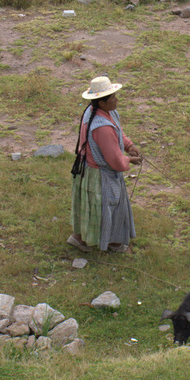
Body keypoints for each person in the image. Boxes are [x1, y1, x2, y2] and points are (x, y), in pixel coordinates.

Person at [68, 76, 141, 253]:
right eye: (112, 97)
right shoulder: (101, 127)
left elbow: (118, 132)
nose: (116, 99)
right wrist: (129, 160)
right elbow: (114, 160)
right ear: (101, 102)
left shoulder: (100, 112)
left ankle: (81, 238)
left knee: (91, 207)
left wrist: (129, 145)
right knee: (110, 207)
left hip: (90, 170)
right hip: (99, 175)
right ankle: (111, 242)